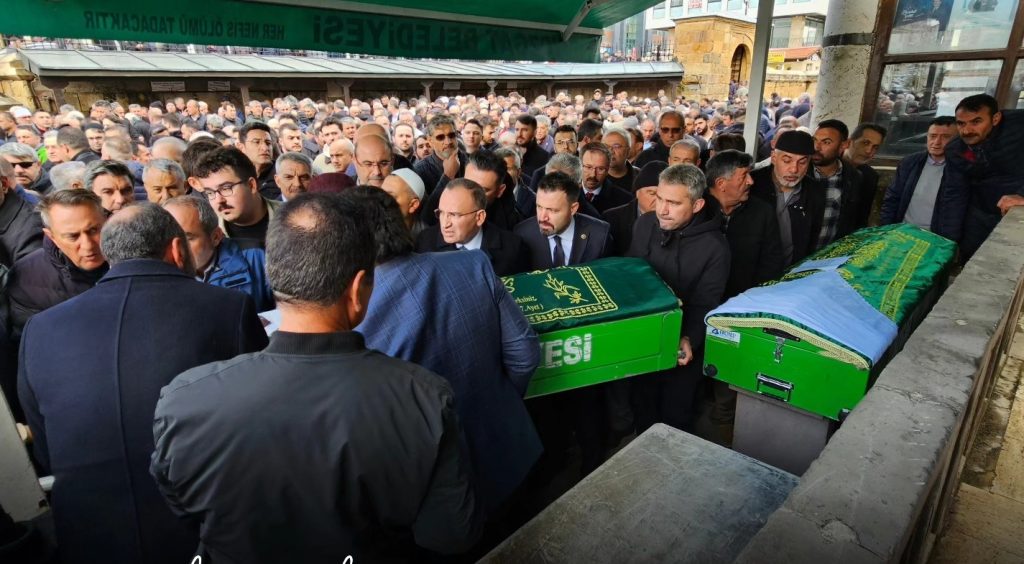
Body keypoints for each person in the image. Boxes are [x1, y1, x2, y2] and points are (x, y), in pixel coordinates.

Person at [150, 193, 483, 563]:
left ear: (275, 276)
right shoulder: (423, 400)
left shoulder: (184, 401)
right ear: (358, 290)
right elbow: (451, 535)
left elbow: (182, 506)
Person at [18, 202, 268, 564]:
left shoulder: (40, 330)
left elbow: (45, 449)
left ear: (109, 253)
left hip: (87, 537)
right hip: (204, 530)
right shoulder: (228, 308)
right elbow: (259, 420)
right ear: (177, 249)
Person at [351, 186, 540, 515]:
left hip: (429, 490)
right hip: (506, 450)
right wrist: (496, 399)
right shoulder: (474, 264)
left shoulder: (354, 317)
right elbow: (525, 354)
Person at [627, 164, 730, 432]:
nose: (662, 209)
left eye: (673, 203)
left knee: (675, 416)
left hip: (681, 346)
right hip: (643, 338)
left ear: (697, 205)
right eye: (659, 198)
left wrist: (688, 338)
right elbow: (631, 274)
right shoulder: (644, 224)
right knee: (642, 406)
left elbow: (706, 303)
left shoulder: (716, 248)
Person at [936, 94, 1024, 261]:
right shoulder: (955, 150)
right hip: (980, 213)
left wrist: (1022, 195)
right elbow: (954, 195)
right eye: (961, 123)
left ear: (995, 118)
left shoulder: (1018, 125)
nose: (967, 131)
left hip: (1017, 213)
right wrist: (948, 242)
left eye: (976, 122)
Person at [163, 195, 274, 312]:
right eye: (167, 239)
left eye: (187, 239)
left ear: (215, 237)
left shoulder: (258, 257)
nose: (175, 249)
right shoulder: (156, 271)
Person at [704, 150, 783, 299]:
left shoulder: (762, 212)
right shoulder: (696, 208)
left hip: (744, 300)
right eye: (744, 176)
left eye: (750, 174)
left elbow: (771, 263)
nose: (751, 181)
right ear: (721, 183)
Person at [415, 178, 529, 276]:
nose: (445, 224)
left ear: (479, 217)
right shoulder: (425, 243)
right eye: (441, 213)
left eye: (454, 215)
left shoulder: (513, 249)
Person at [750, 130, 824, 267]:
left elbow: (812, 239)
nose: (794, 169)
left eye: (802, 162)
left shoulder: (815, 191)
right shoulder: (751, 185)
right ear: (773, 158)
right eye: (787, 160)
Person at [514, 171, 612, 270]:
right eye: (539, 207)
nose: (542, 217)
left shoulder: (600, 235)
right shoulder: (522, 233)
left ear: (573, 209)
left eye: (552, 210)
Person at [192, 146, 282, 250]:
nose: (219, 200)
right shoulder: (207, 235)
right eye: (210, 193)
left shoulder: (292, 217)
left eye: (226, 188)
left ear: (251, 185)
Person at [880, 116, 957, 231]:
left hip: (936, 236)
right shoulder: (910, 163)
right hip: (902, 231)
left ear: (957, 140)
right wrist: (886, 229)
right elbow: (892, 199)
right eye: (933, 136)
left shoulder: (961, 168)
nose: (937, 142)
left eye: (945, 137)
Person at [812, 119, 865, 248]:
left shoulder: (854, 178)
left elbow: (856, 221)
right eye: (814, 140)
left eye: (826, 142)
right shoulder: (799, 172)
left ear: (844, 145)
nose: (816, 147)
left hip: (831, 254)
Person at [604, 161, 668, 256]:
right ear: (637, 192)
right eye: (652, 193)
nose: (659, 200)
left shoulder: (678, 221)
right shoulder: (611, 219)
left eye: (665, 195)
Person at [843, 123, 887, 226]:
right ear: (849, 142)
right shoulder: (827, 164)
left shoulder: (870, 176)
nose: (869, 151)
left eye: (875, 147)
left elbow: (862, 216)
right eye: (865, 143)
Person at [414, 115, 466, 196]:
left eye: (451, 135)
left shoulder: (471, 162)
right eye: (440, 137)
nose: (448, 142)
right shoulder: (419, 171)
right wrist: (448, 176)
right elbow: (427, 204)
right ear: (430, 141)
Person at [580, 142, 632, 213]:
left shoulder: (625, 200)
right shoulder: (566, 194)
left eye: (600, 169)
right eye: (588, 167)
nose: (593, 175)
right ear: (579, 166)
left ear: (608, 170)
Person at [237, 121, 280, 200]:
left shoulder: (282, 175)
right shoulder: (235, 176)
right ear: (241, 147)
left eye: (268, 143)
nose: (265, 148)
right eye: (256, 142)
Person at [380, 168, 425, 236]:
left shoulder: (427, 239)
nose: (381, 201)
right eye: (381, 194)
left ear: (413, 205)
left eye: (390, 197)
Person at [515, 115, 551, 179]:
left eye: (525, 130)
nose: (519, 134)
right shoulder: (507, 152)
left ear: (534, 132)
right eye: (517, 129)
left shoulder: (544, 157)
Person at [604, 128, 638, 193]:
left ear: (628, 151)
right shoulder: (593, 176)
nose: (610, 151)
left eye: (616, 146)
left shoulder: (640, 176)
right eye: (606, 146)